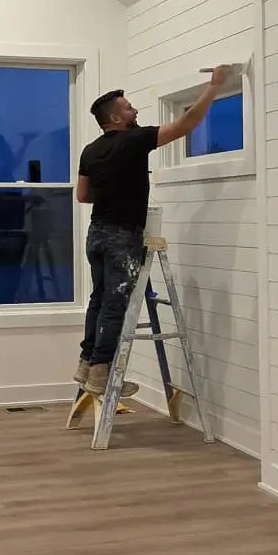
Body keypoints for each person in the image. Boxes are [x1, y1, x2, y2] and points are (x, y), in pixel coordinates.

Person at [73, 67, 232, 397]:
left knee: (98, 299)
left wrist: (113, 188)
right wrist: (214, 86)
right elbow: (185, 125)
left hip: (96, 233)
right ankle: (101, 374)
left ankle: (86, 363)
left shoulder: (90, 150)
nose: (134, 112)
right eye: (129, 108)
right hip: (121, 237)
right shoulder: (134, 140)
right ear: (116, 118)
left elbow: (83, 196)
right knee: (115, 304)